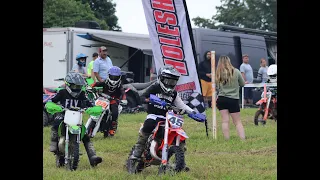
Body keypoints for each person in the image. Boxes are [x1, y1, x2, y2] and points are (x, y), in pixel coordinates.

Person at [129, 65, 203, 162]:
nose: (170, 84)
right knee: (148, 125)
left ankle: (180, 162)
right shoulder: (155, 87)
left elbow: (182, 105)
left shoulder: (174, 94)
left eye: (173, 81)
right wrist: (153, 100)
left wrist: (193, 113)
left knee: (179, 133)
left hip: (167, 117)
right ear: (161, 78)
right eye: (168, 81)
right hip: (154, 115)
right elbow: (142, 97)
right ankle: (138, 149)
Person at [48, 72, 102, 166]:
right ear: (68, 85)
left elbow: (90, 103)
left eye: (78, 86)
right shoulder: (62, 92)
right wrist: (54, 106)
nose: (77, 88)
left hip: (77, 117)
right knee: (56, 124)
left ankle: (92, 157)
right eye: (74, 86)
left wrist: (92, 108)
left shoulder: (82, 94)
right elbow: (52, 101)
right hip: (63, 114)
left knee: (85, 136)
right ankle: (54, 144)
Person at [91, 66, 127, 137]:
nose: (113, 79)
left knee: (114, 112)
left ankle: (113, 125)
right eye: (112, 77)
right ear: (108, 76)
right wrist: (90, 87)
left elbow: (123, 93)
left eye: (115, 77)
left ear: (119, 77)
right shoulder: (105, 82)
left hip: (113, 100)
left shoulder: (120, 85)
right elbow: (97, 84)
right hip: (103, 99)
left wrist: (124, 99)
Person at [216, 55, 246, 140]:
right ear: (229, 62)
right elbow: (242, 84)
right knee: (237, 122)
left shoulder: (218, 73)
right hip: (233, 99)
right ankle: (242, 139)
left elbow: (217, 87)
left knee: (225, 121)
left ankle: (226, 139)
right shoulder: (236, 71)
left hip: (222, 99)